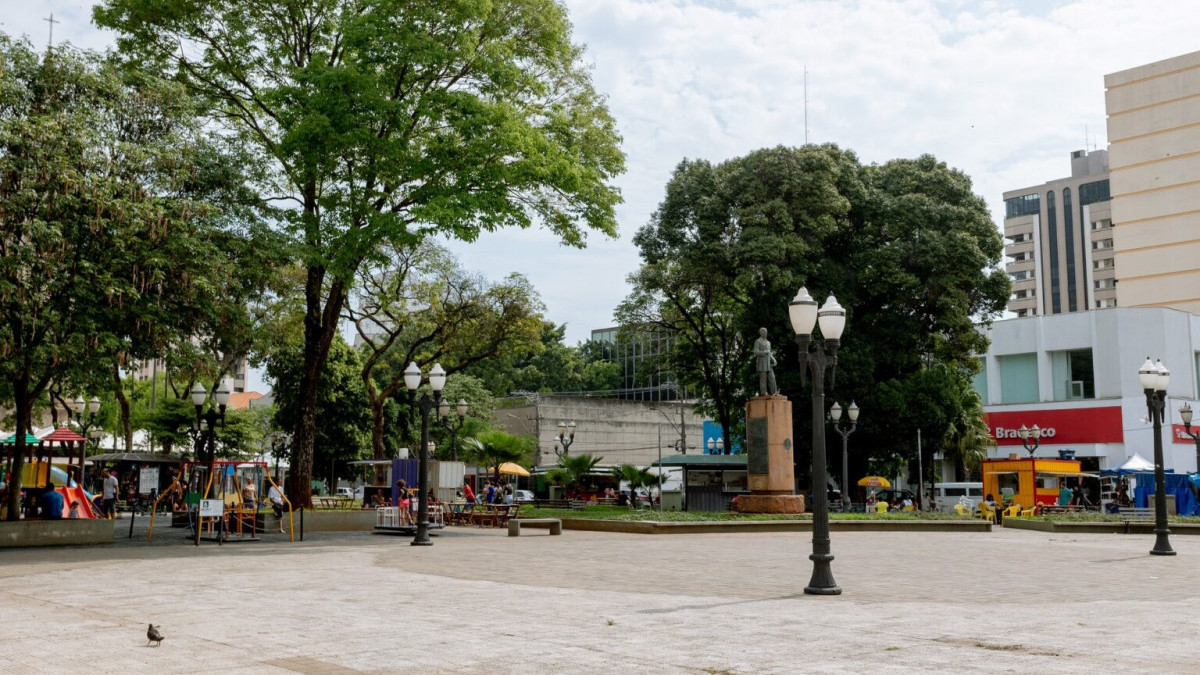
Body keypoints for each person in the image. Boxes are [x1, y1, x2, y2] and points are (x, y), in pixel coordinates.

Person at [752, 328, 779, 396]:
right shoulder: (758, 341)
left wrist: (773, 359)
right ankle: (764, 392)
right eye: (764, 332)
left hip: (768, 363)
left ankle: (774, 392)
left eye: (766, 332)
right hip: (761, 363)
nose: (766, 334)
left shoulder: (768, 342)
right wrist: (764, 352)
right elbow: (755, 352)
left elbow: (769, 353)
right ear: (761, 333)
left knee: (772, 377)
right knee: (763, 379)